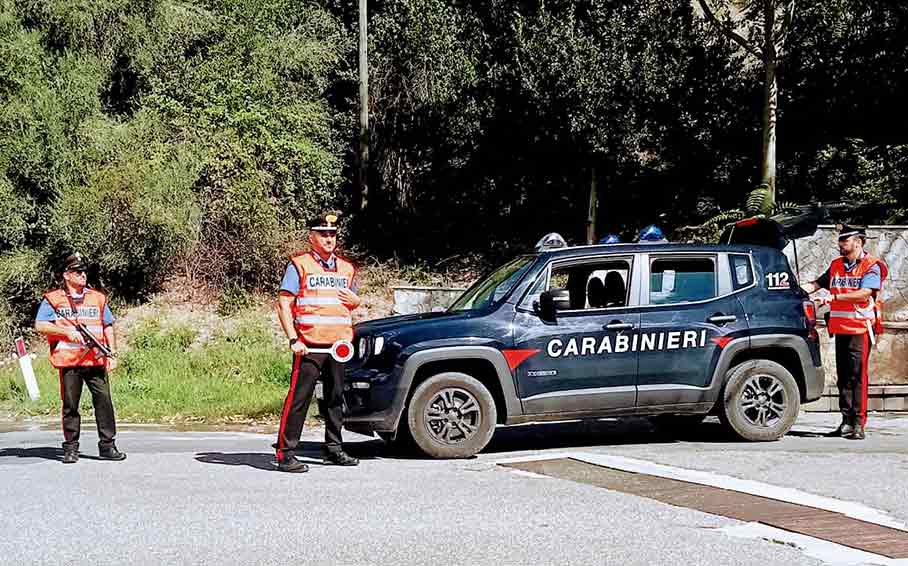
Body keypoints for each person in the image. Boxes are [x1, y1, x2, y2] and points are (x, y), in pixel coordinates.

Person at [274, 212, 362, 472]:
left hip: (338, 346)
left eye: (333, 234)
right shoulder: (299, 265)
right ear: (311, 237)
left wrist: (356, 302)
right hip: (309, 345)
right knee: (299, 400)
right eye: (323, 234)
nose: (329, 239)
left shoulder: (347, 268)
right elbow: (283, 304)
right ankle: (285, 453)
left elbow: (351, 302)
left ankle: (334, 448)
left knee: (335, 399)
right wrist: (293, 339)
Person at [34, 254, 125, 464]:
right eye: (78, 271)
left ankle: (108, 446)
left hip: (95, 359)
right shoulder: (53, 299)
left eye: (84, 271)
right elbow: (40, 325)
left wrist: (113, 354)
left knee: (104, 402)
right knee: (70, 406)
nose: (83, 275)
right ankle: (71, 448)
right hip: (69, 361)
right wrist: (65, 333)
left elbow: (107, 325)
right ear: (67, 275)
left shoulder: (97, 297)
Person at [802, 225, 889, 440]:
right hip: (840, 329)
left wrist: (834, 298)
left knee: (857, 377)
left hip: (860, 328)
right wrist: (793, 288)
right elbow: (816, 284)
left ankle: (858, 423)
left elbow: (864, 293)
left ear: (857, 242)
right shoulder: (836, 265)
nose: (840, 244)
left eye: (844, 240)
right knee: (844, 378)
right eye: (840, 240)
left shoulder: (871, 266)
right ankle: (845, 422)